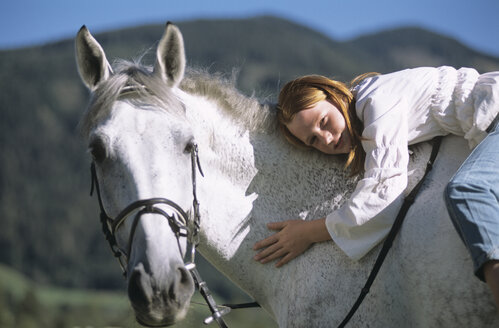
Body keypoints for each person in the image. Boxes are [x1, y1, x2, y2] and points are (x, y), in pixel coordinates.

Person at [252, 67, 499, 310]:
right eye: (314, 140)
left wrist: (308, 232)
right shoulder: (369, 111)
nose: (326, 139)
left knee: (468, 190)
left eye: (324, 121)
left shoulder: (376, 103)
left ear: (335, 96)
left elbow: (384, 193)